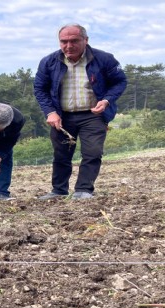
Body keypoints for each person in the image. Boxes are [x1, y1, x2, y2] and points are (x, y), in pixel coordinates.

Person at [34, 23, 127, 200]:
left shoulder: (104, 59)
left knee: (92, 152)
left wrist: (106, 100)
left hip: (93, 115)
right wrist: (50, 112)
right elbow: (40, 88)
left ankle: (84, 190)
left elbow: (120, 82)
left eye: (74, 41)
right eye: (64, 41)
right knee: (61, 154)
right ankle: (59, 191)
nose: (68, 46)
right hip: (62, 116)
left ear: (86, 40)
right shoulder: (49, 62)